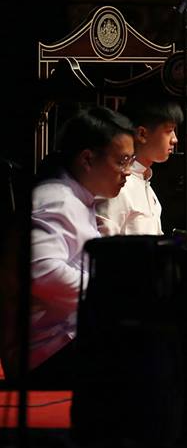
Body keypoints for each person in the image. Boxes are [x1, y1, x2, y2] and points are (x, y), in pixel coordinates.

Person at [28, 107, 136, 386]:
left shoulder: (78, 198)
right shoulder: (56, 197)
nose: (128, 172)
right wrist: (107, 288)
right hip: (53, 349)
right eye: (122, 161)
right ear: (87, 158)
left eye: (131, 161)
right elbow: (41, 271)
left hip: (72, 337)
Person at [95, 97, 181, 236]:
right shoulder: (118, 186)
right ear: (142, 134)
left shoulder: (145, 183)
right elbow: (102, 244)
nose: (174, 139)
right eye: (169, 130)